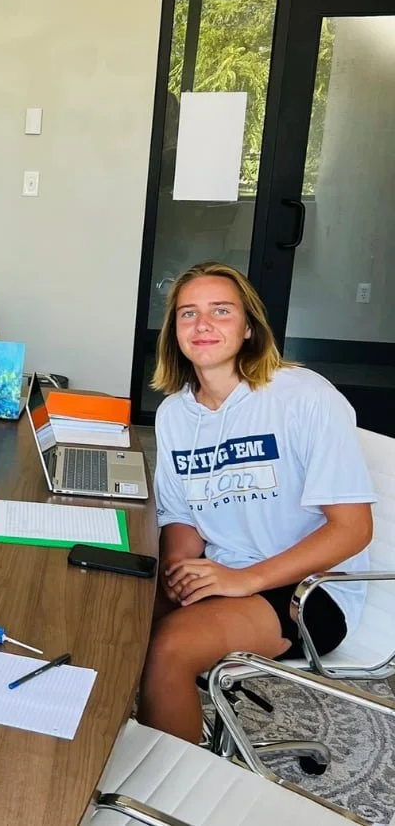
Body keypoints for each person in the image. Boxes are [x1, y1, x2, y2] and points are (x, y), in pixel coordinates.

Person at [139, 261, 376, 743]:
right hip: (222, 566)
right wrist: (180, 570)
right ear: (174, 331)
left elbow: (353, 529)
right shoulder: (173, 414)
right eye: (188, 314)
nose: (202, 325)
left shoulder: (304, 397)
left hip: (307, 589)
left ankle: (168, 804)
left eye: (220, 311)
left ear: (249, 327)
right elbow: (182, 514)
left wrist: (243, 580)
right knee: (109, 614)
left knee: (167, 650)